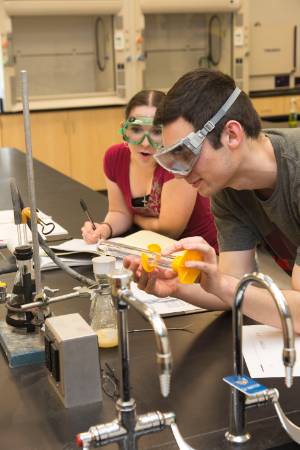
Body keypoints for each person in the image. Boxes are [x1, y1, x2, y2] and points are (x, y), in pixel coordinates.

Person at [124, 69, 300, 333]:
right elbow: (233, 286)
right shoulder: (228, 188)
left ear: (232, 135)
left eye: (186, 154)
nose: (179, 174)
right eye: (171, 160)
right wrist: (176, 285)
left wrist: (223, 284)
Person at [81, 89, 218, 249]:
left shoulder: (177, 162)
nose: (145, 143)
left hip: (199, 252)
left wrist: (133, 217)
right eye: (137, 130)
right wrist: (104, 229)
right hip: (151, 249)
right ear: (124, 130)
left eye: (156, 132)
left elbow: (169, 231)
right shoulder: (115, 157)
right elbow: (119, 211)